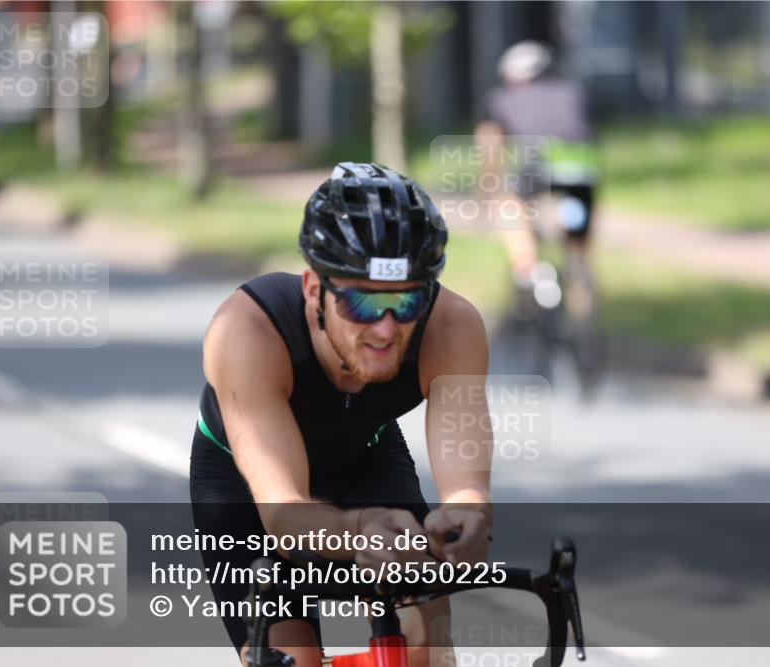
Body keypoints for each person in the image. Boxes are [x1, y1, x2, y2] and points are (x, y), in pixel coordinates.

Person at [189, 162, 494, 667]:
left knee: (429, 649)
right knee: (293, 659)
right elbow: (283, 510)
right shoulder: (245, 332)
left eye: (407, 299)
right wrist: (357, 530)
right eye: (361, 303)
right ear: (315, 290)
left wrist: (468, 515)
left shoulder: (452, 327)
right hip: (247, 488)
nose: (386, 329)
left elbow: (466, 489)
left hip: (365, 458)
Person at [475, 40, 599, 322]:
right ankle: (584, 317)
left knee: (508, 204)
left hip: (539, 166)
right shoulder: (574, 93)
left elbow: (490, 149)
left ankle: (528, 268)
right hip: (582, 170)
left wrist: (487, 190)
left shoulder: (501, 99)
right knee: (577, 245)